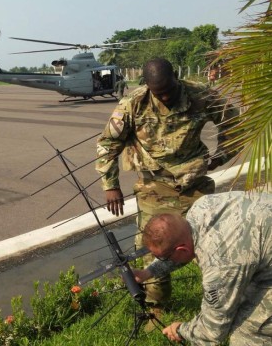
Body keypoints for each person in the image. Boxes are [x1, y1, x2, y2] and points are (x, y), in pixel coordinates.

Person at [95, 57, 239, 308]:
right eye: (157, 93)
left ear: (176, 78)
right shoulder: (133, 103)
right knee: (153, 248)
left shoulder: (200, 95)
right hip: (153, 187)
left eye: (168, 91)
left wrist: (220, 156)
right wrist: (111, 186)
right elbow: (108, 144)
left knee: (211, 242)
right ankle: (157, 306)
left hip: (194, 184)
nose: (164, 98)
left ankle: (221, 303)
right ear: (148, 86)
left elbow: (236, 123)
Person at [134, 191, 272, 345]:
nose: (161, 261)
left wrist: (181, 330)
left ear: (182, 249)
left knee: (246, 335)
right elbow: (187, 249)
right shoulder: (201, 206)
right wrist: (147, 273)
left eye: (163, 258)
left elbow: (213, 330)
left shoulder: (220, 264)